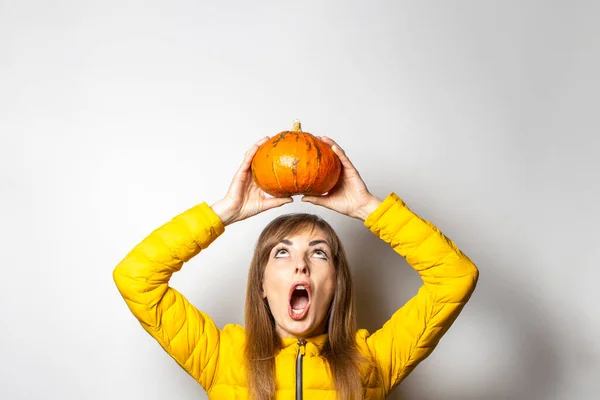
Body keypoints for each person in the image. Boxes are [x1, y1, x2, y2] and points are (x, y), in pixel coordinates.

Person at [113, 135, 479, 400]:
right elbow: (136, 278)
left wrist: (368, 208)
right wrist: (225, 211)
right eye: (282, 254)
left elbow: (455, 277)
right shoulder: (222, 356)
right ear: (261, 284)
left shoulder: (373, 361)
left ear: (337, 283)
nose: (301, 265)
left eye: (319, 254)